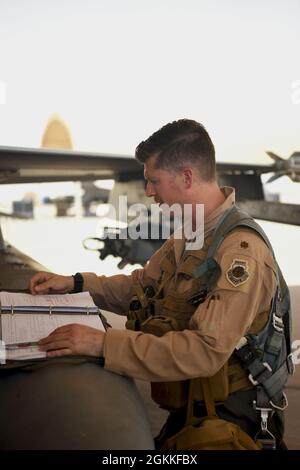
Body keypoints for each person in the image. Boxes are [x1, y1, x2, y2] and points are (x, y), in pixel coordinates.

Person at [29, 119, 292, 450]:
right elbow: (143, 288)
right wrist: (76, 283)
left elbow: (204, 350)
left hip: (232, 422)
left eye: (154, 181)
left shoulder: (240, 251)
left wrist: (103, 345)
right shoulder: (190, 234)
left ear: (186, 177)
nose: (149, 192)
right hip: (197, 409)